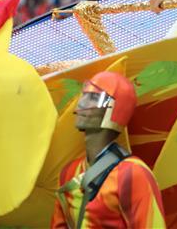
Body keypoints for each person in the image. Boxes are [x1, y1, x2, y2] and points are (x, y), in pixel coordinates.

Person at [51, 71, 166, 229]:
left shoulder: (133, 173)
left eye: (93, 98)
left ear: (114, 109)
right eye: (84, 96)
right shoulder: (68, 173)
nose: (81, 104)